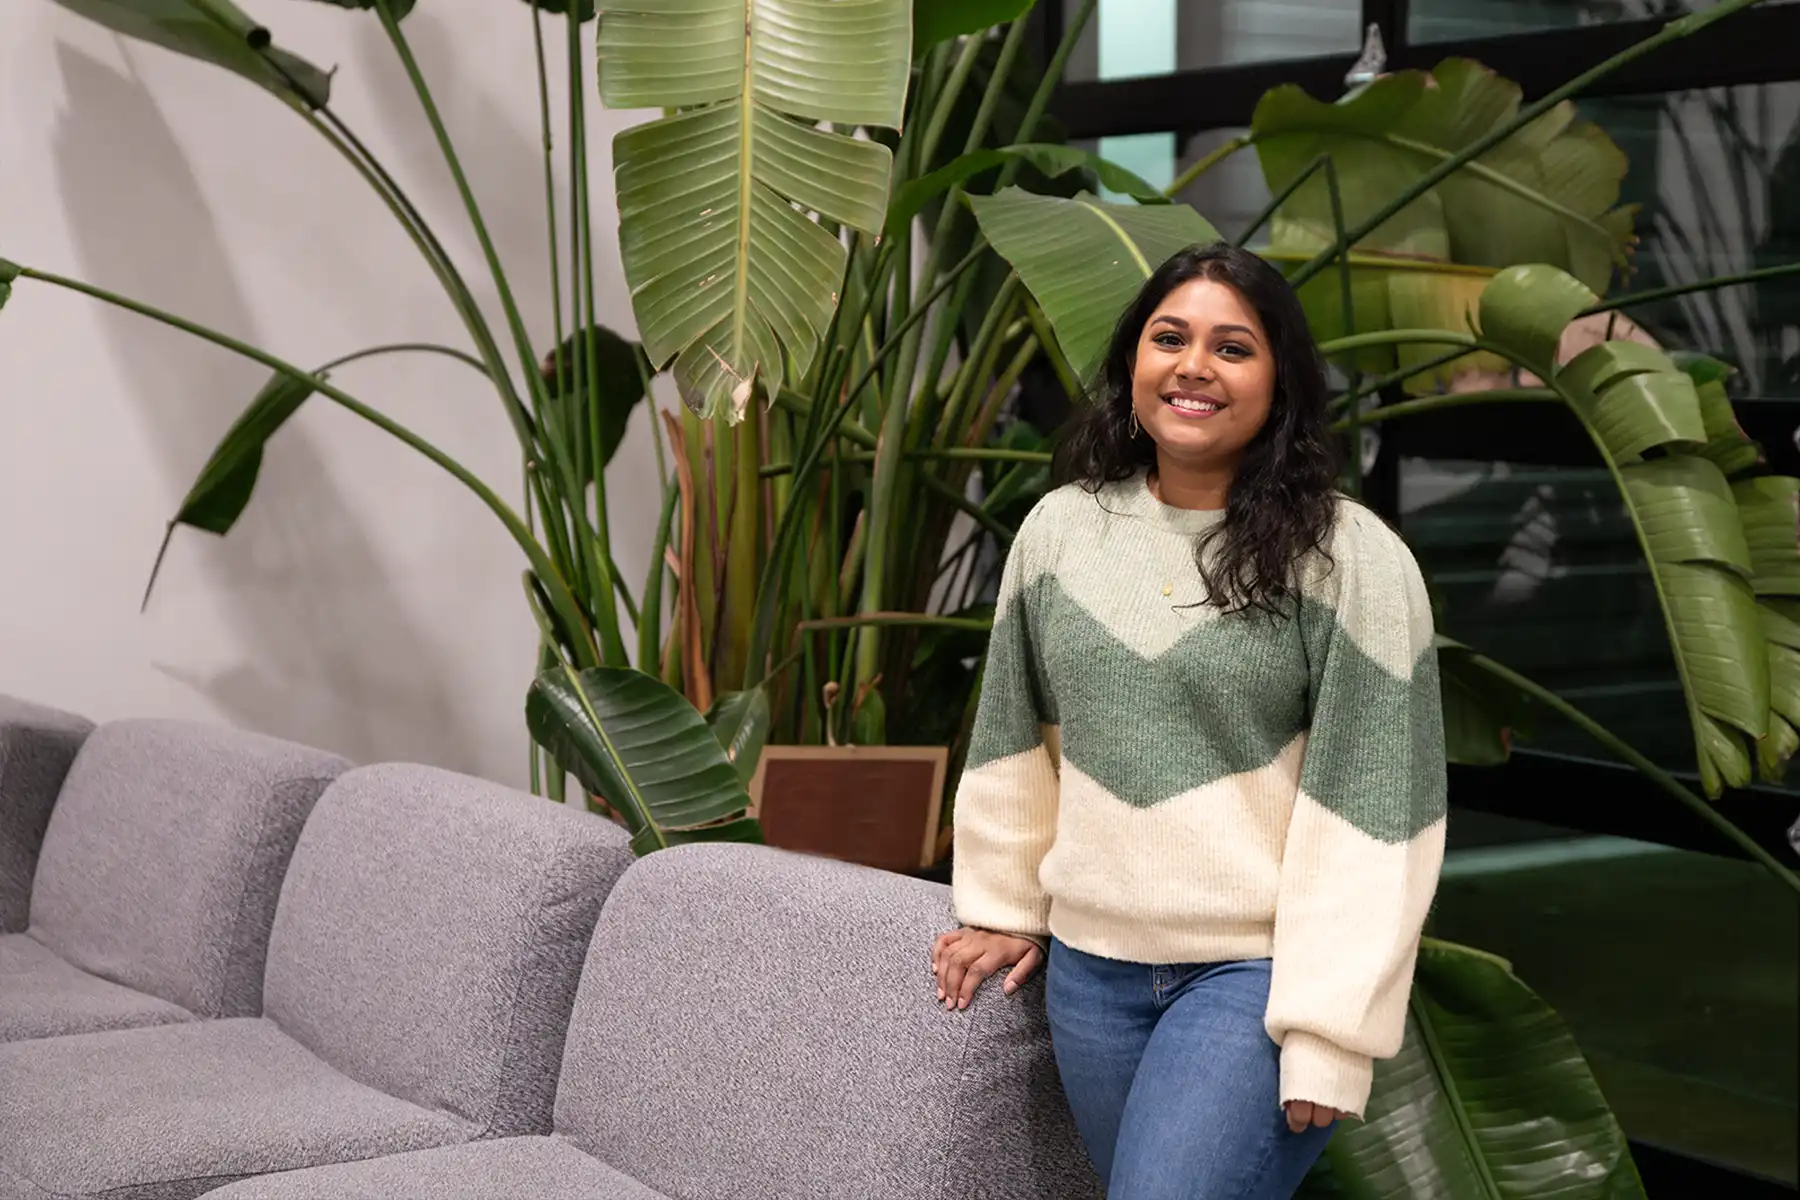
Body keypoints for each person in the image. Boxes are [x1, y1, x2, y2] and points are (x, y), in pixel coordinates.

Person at [930, 242, 1447, 1199]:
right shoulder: (1061, 531)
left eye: (1233, 347)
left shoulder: (1350, 558)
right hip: (1091, 980)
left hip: (1252, 980)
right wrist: (1004, 909)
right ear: (1133, 362)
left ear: (1281, 381)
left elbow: (1381, 806)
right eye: (1169, 338)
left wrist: (1329, 1028)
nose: (1194, 367)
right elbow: (1015, 733)